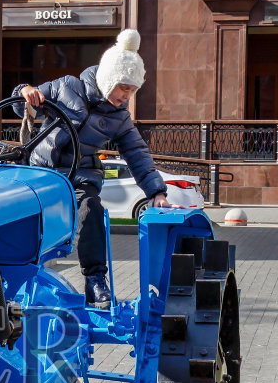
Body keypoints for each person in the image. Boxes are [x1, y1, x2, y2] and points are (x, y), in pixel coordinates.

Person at [15, 29, 169, 307]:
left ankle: (95, 280)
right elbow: (21, 104)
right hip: (41, 172)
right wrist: (25, 91)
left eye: (132, 90)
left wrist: (156, 192)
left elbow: (136, 153)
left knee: (91, 208)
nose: (126, 96)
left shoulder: (119, 118)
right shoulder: (66, 87)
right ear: (109, 78)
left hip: (79, 176)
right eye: (123, 87)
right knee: (10, 209)